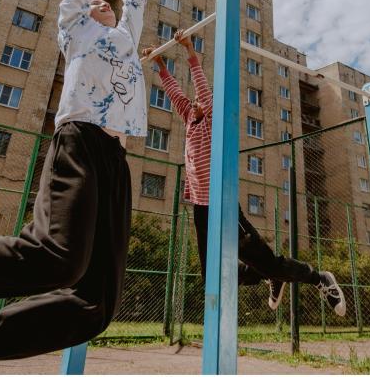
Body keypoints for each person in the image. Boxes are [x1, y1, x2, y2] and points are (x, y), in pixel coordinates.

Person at [0, 0, 148, 372]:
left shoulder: (126, 37)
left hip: (116, 161)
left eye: (107, 3)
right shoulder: (76, 32)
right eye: (94, 4)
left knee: (95, 304)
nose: (101, 4)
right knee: (58, 258)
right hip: (82, 140)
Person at [142, 30, 346, 316]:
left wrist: (189, 49)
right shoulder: (190, 118)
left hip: (222, 205)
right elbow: (175, 93)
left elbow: (200, 85)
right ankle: (268, 275)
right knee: (211, 276)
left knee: (270, 262)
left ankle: (318, 278)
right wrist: (160, 64)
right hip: (201, 208)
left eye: (201, 101)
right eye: (195, 103)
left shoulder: (211, 122)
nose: (196, 102)